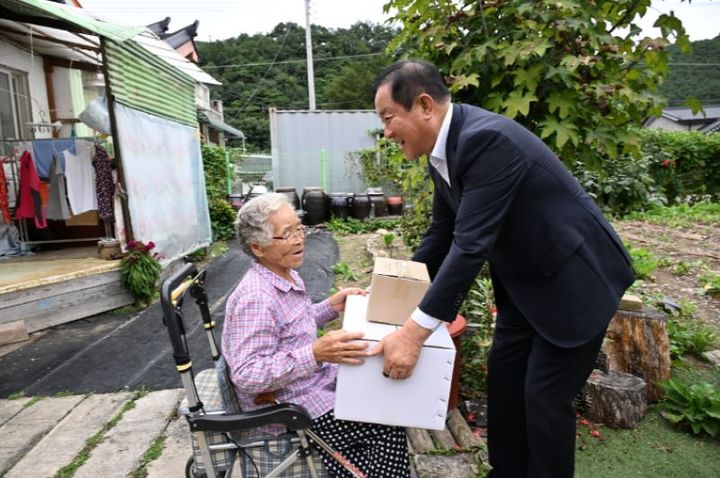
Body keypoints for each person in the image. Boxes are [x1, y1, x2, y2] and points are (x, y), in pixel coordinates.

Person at [368, 59, 635, 478]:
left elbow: (470, 246)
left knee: (544, 399)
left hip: (574, 284)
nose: (385, 132)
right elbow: (442, 232)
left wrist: (413, 333)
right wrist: (391, 289)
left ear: (423, 105)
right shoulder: (446, 148)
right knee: (506, 388)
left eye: (388, 118)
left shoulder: (486, 140)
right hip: (527, 286)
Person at [222, 193, 410, 478]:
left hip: (310, 384)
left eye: (299, 228)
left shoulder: (284, 274)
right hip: (290, 405)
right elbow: (248, 374)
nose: (299, 239)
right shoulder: (256, 298)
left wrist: (331, 306)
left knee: (381, 386)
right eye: (287, 235)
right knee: (386, 420)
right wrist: (315, 354)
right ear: (258, 247)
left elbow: (290, 328)